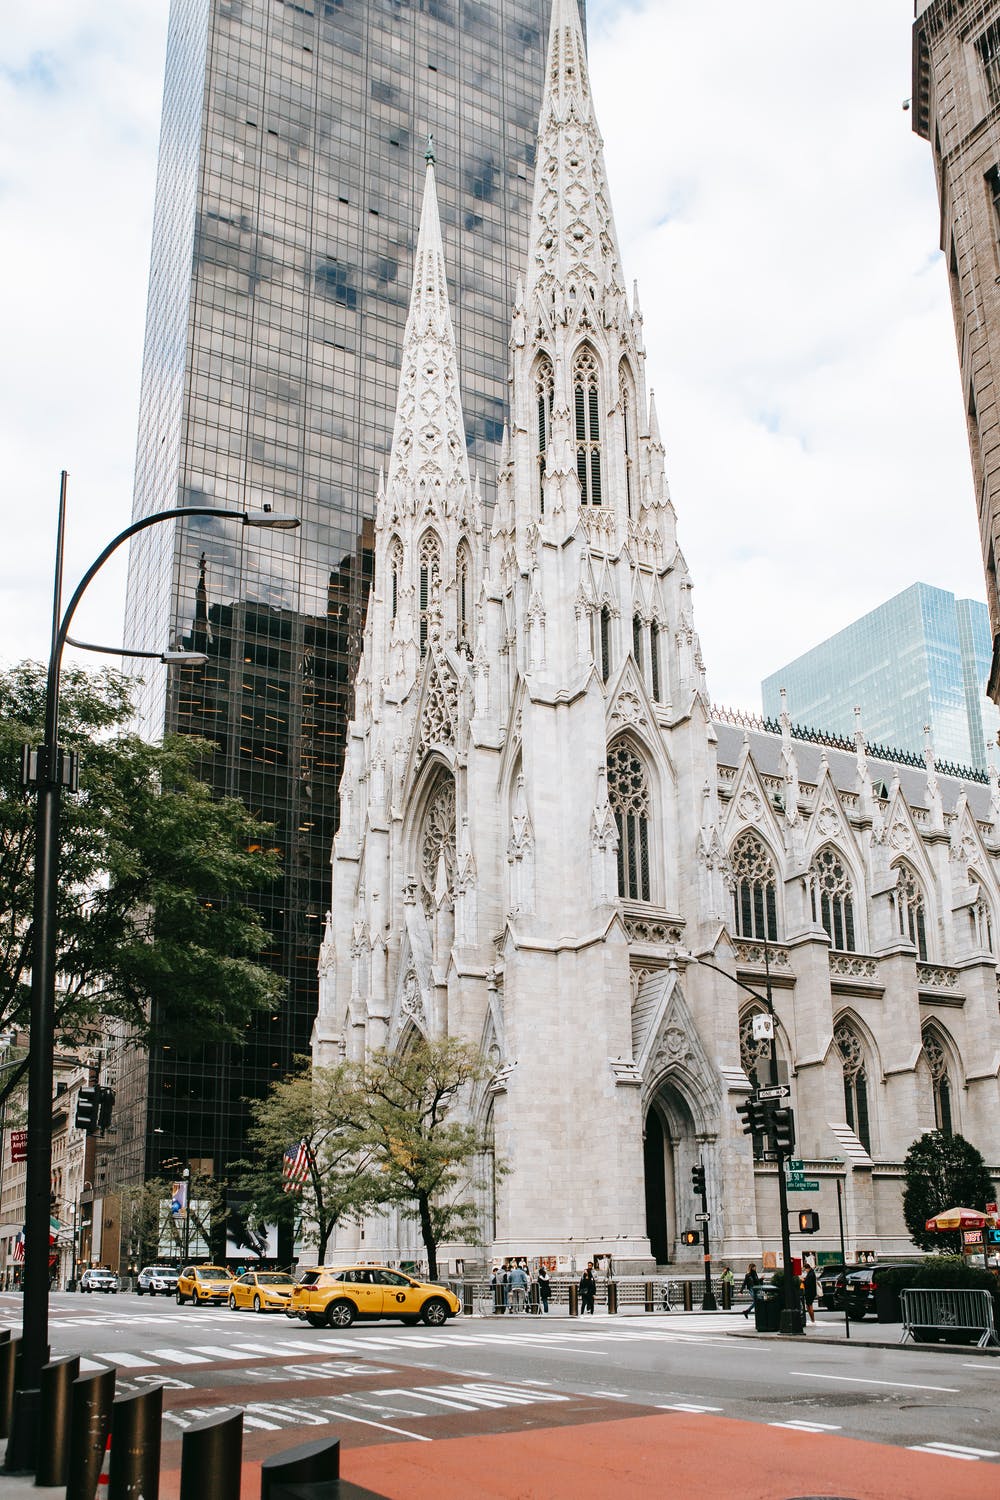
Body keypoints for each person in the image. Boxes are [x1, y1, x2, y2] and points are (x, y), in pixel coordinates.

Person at [801, 1257, 817, 1325]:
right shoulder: (811, 1273)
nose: (805, 1271)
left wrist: (803, 1280)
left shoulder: (811, 1274)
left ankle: (812, 1319)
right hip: (811, 1292)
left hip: (810, 1292)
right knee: (809, 1306)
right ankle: (812, 1319)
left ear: (807, 1268)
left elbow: (808, 1283)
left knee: (809, 1306)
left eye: (805, 1269)